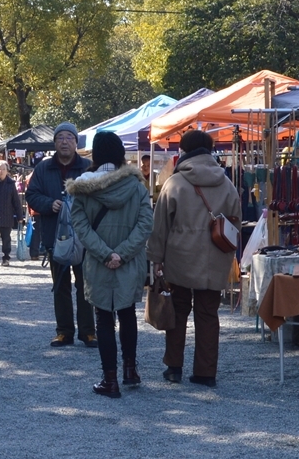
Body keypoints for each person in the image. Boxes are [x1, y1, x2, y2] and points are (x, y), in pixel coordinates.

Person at [148, 129, 239, 388]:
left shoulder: (175, 183)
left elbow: (160, 226)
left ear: (184, 151)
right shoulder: (227, 183)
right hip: (215, 259)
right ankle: (206, 372)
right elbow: (235, 222)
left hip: (180, 257)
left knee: (177, 312)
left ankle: (174, 367)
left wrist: (156, 259)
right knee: (208, 314)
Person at [69, 131, 153, 398]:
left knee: (104, 319)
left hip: (98, 262)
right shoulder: (138, 187)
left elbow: (80, 226)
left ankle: (110, 380)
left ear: (95, 154)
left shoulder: (83, 189)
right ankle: (130, 370)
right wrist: (123, 253)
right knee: (127, 314)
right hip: (129, 263)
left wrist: (106, 254)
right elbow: (145, 225)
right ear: (120, 154)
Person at [24, 121, 93, 347]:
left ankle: (88, 331)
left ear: (76, 142)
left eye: (69, 138)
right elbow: (31, 194)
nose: (65, 142)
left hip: (84, 236)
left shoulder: (87, 167)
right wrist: (48, 204)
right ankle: (64, 331)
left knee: (86, 285)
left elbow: (99, 196)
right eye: (60, 138)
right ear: (55, 143)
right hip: (55, 234)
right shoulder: (43, 168)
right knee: (60, 285)